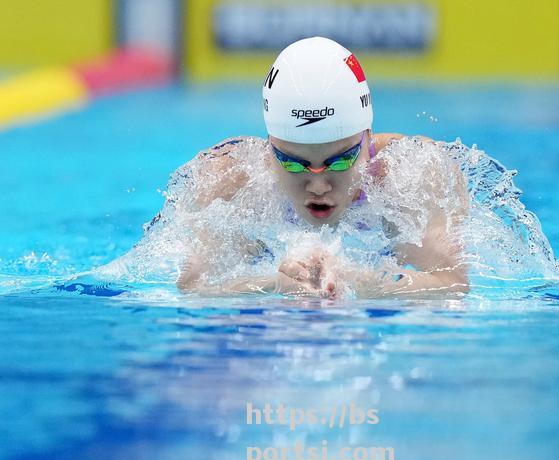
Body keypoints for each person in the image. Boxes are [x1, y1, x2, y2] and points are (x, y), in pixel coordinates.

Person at [176, 36, 469, 298]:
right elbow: (192, 286)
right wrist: (275, 284)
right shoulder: (229, 180)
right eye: (292, 163)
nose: (317, 186)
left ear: (367, 139)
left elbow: (453, 283)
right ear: (270, 148)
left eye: (340, 160)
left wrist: (363, 282)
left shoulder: (411, 174)